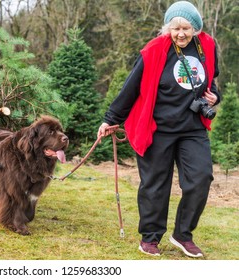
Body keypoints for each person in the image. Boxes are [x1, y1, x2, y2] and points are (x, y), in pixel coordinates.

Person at [97, 1, 220, 258]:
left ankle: (183, 235)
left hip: (192, 128)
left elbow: (211, 81)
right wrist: (110, 119)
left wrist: (214, 97)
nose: (181, 33)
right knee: (155, 185)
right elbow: (130, 88)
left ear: (196, 28)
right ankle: (150, 238)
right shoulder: (154, 51)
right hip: (158, 127)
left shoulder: (206, 46)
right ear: (168, 29)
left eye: (186, 28)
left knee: (201, 178)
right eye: (175, 28)